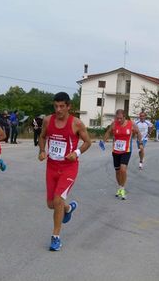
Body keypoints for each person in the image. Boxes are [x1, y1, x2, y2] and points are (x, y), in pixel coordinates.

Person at [38, 92, 91, 251]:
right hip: (52, 167)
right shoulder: (48, 120)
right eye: (56, 106)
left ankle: (56, 237)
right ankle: (68, 208)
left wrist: (77, 153)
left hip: (69, 168)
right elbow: (42, 137)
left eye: (62, 106)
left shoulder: (76, 123)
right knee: (50, 204)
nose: (58, 109)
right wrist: (41, 150)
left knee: (58, 200)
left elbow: (88, 142)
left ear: (69, 107)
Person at [102, 109, 142, 200]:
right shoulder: (114, 124)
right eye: (117, 118)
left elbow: (138, 133)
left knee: (123, 170)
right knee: (117, 171)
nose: (118, 120)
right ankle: (120, 187)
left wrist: (140, 143)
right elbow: (108, 132)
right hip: (115, 151)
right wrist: (103, 141)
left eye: (120, 118)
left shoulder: (131, 124)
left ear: (124, 117)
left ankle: (122, 188)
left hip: (126, 151)